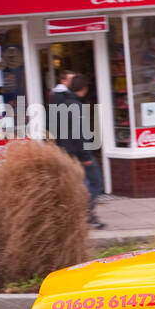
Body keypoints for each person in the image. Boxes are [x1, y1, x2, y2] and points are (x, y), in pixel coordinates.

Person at [50, 73, 104, 229]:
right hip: (79, 153)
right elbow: (80, 133)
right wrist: (86, 156)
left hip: (66, 151)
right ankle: (85, 214)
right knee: (95, 182)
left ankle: (83, 215)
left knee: (82, 184)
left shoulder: (61, 102)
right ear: (85, 89)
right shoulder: (77, 106)